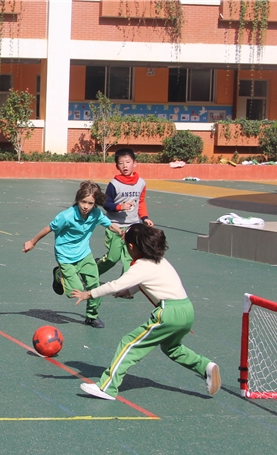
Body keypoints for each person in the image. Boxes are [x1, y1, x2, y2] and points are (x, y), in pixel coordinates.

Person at [71, 224, 220, 400]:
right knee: (172, 348)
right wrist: (129, 292)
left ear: (132, 247)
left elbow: (116, 284)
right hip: (186, 310)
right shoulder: (160, 260)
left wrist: (89, 293)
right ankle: (205, 367)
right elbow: (148, 282)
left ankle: (107, 387)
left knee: (129, 344)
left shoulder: (141, 266)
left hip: (168, 313)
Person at [23, 181, 122, 329]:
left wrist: (122, 232)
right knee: (73, 292)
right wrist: (32, 242)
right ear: (78, 200)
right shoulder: (67, 216)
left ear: (95, 203)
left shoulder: (96, 214)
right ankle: (58, 274)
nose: (86, 206)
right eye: (83, 202)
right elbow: (48, 228)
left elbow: (109, 224)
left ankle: (91, 316)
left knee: (95, 286)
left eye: (90, 203)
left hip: (85, 255)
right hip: (66, 257)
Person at [97, 148, 153, 278]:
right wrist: (120, 207)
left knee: (129, 258)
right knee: (112, 258)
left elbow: (141, 201)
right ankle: (91, 274)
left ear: (135, 163)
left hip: (132, 227)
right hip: (115, 226)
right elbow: (106, 204)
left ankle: (126, 288)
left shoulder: (141, 183)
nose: (125, 165)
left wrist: (144, 217)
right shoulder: (114, 184)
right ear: (117, 166)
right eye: (121, 163)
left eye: (127, 162)